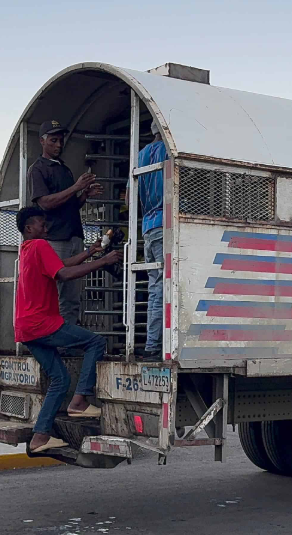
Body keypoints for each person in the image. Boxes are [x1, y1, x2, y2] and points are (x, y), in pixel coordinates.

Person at [14, 207, 120, 452]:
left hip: (26, 328)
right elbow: (63, 274)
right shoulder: (39, 244)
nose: (47, 228)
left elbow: (58, 265)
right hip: (43, 324)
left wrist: (90, 252)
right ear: (30, 228)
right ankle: (80, 401)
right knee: (95, 343)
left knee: (60, 379)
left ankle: (40, 437)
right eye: (42, 224)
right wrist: (102, 261)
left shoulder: (27, 249)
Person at [29, 119, 104, 325]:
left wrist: (84, 195)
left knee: (72, 295)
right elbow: (44, 203)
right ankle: (60, 340)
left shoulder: (64, 168)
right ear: (42, 141)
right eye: (53, 140)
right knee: (58, 294)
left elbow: (68, 206)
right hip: (55, 239)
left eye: (60, 141)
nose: (58, 145)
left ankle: (68, 340)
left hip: (73, 236)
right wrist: (75, 187)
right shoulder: (38, 169)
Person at [136, 121, 168, 361]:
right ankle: (154, 345)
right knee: (161, 288)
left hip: (147, 227)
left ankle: (151, 343)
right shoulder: (169, 150)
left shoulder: (140, 155)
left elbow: (130, 195)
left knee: (154, 287)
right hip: (165, 226)